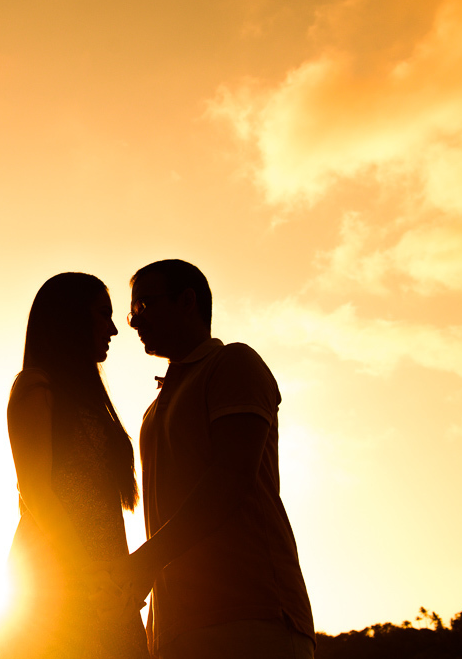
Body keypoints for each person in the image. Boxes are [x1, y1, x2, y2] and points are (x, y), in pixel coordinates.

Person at [110, 259, 316, 659]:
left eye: (143, 306)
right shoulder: (155, 408)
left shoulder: (233, 364)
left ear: (187, 301)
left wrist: (144, 564)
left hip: (251, 616)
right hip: (175, 627)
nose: (133, 322)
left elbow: (230, 478)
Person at [0, 272, 150, 659]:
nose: (113, 329)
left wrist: (115, 579)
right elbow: (35, 490)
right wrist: (90, 574)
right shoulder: (35, 386)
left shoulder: (89, 404)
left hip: (105, 588)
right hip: (56, 590)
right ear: (70, 319)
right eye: (103, 314)